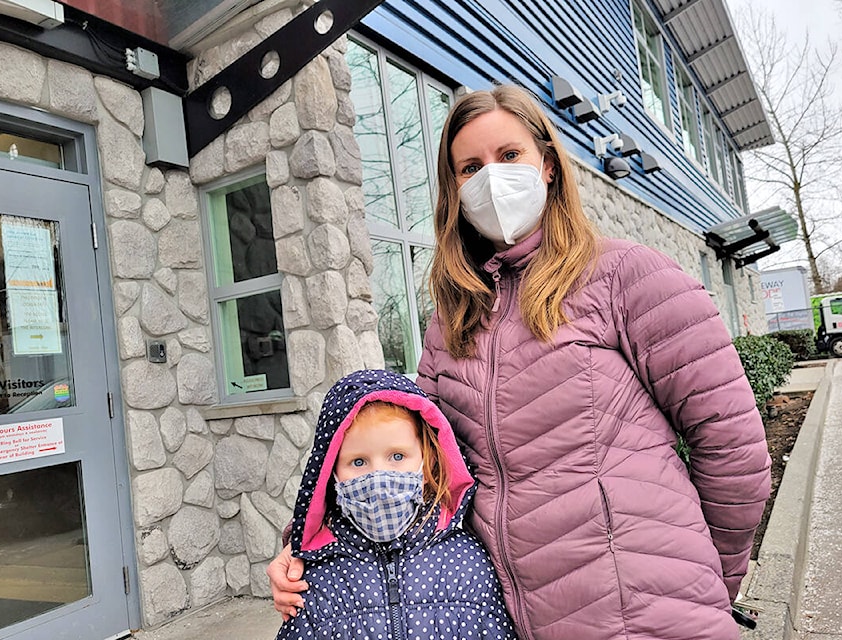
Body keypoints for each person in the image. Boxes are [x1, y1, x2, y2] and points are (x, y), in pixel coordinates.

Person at [270, 85, 771, 640]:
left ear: (548, 165)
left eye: (509, 156)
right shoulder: (451, 321)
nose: (491, 177)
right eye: (469, 168)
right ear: (454, 190)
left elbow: (732, 447)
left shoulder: (627, 275)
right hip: (525, 619)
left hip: (649, 612)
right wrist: (305, 545)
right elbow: (414, 464)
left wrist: (714, 580)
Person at [274, 368, 517, 640]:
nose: (378, 478)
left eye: (397, 456)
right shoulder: (315, 577)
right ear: (330, 474)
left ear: (428, 461)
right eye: (358, 462)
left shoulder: (468, 562)